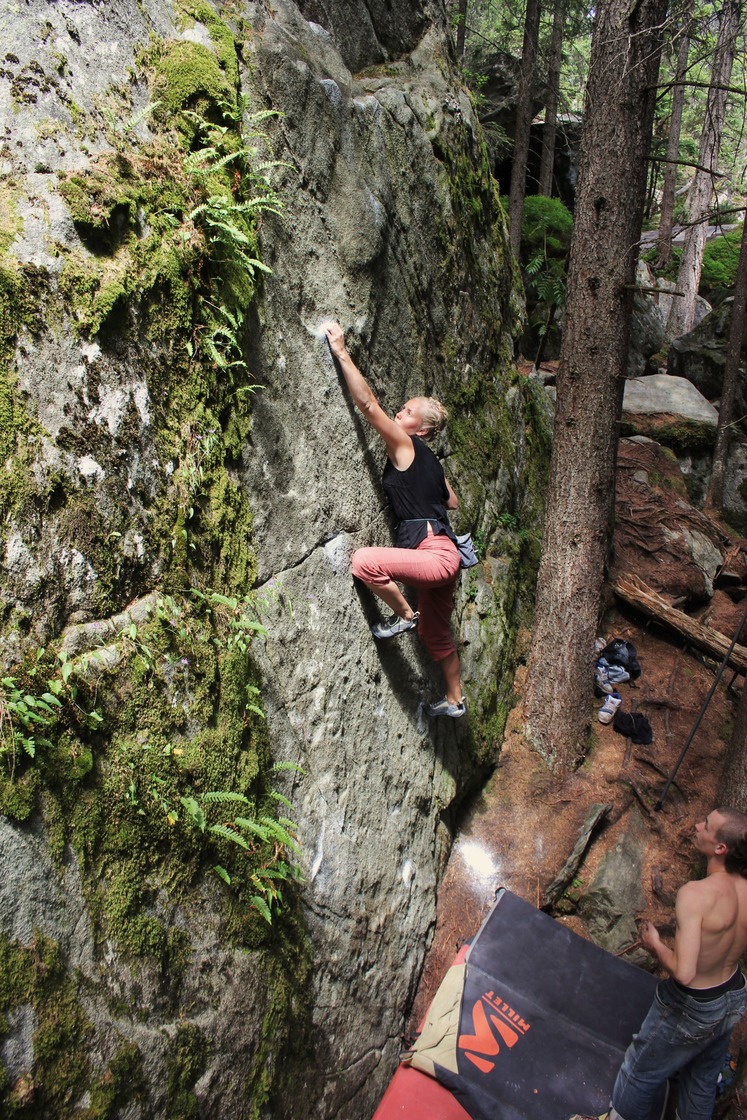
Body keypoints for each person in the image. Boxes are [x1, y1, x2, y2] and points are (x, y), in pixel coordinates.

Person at [324, 320, 465, 718]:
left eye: (405, 412)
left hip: (435, 556)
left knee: (363, 562)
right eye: (402, 410)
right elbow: (451, 502)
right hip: (447, 555)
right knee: (435, 635)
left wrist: (341, 351)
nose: (398, 414)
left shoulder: (405, 444)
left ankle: (403, 615)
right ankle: (455, 700)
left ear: (417, 430)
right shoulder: (431, 462)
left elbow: (368, 407)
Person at [578, 807, 747, 1120]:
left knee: (638, 1073)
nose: (697, 825)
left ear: (720, 848)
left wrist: (655, 945)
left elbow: (685, 973)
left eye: (706, 825)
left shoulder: (695, 894)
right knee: (701, 1080)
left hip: (694, 1006)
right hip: (733, 995)